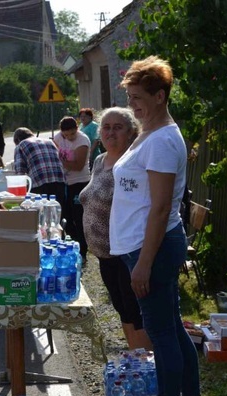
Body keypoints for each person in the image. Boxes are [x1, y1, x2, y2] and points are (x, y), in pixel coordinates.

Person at [110, 56, 202, 396]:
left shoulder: (162, 140)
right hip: (144, 245)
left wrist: (144, 264)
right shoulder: (148, 131)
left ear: (160, 95)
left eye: (138, 97)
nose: (133, 104)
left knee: (160, 334)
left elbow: (162, 208)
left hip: (153, 247)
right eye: (130, 96)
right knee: (172, 328)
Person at [79, 107, 152, 351]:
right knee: (122, 308)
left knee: (135, 310)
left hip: (126, 251)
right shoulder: (100, 161)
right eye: (106, 127)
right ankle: (135, 360)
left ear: (132, 133)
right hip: (104, 253)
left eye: (118, 127)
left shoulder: (132, 163)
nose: (111, 132)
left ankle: (146, 369)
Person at [54, 116, 90, 259]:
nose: (69, 138)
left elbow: (78, 166)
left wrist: (60, 161)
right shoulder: (58, 138)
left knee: (78, 216)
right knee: (65, 216)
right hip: (64, 182)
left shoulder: (82, 140)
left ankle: (83, 250)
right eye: (66, 135)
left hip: (80, 182)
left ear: (77, 128)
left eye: (72, 134)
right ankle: (71, 245)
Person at [12, 127, 66, 204]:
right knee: (57, 211)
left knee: (40, 212)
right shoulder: (49, 142)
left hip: (39, 182)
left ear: (17, 140)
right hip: (59, 180)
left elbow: (20, 173)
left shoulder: (21, 145)